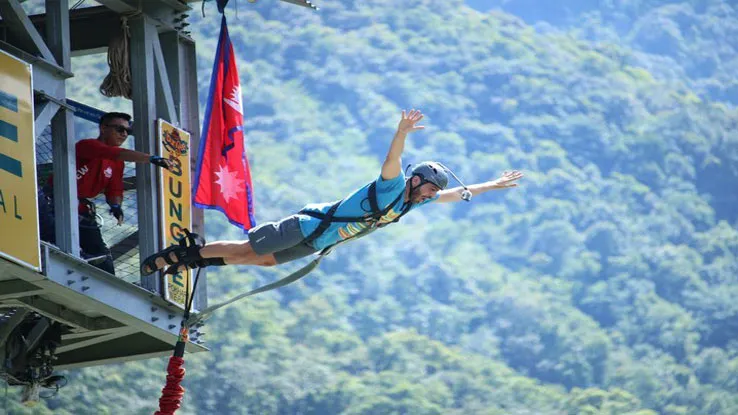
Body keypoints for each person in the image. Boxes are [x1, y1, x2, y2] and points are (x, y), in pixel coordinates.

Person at [141, 109, 523, 275]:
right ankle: (182, 254)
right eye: (429, 187)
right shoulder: (392, 186)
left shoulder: (412, 204)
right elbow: (392, 158)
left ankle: (200, 260)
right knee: (247, 249)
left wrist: (491, 184)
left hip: (318, 242)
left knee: (263, 262)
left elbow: (458, 194)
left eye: (433, 191)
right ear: (416, 180)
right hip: (309, 226)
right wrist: (401, 133)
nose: (431, 194)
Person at [40, 112, 173, 275]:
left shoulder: (117, 163)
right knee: (55, 241)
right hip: (53, 203)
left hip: (81, 211)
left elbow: (114, 188)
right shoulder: (87, 146)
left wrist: (116, 206)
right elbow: (113, 153)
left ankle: (98, 278)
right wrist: (151, 159)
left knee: (102, 258)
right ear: (103, 128)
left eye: (128, 131)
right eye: (119, 129)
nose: (124, 134)